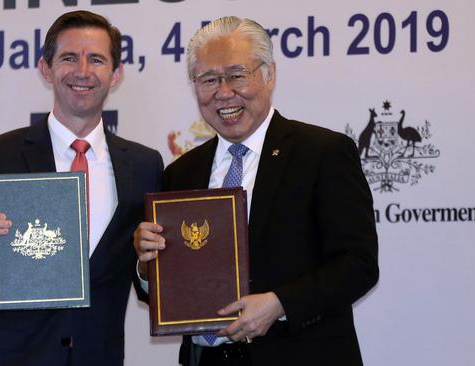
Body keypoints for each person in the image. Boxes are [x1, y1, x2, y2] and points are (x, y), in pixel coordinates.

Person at [133, 16, 378, 365]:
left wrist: (279, 303)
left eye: (236, 75)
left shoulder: (323, 153)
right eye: (209, 79)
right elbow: (167, 290)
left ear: (269, 74)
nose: (223, 92)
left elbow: (358, 265)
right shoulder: (180, 173)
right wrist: (146, 267)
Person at [0, 11, 163, 366]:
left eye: (97, 59)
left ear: (116, 74)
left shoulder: (145, 166)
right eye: (69, 57)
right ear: (46, 68)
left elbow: (151, 289)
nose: (82, 71)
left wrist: (149, 267)